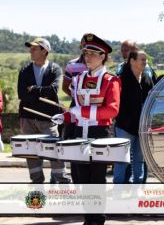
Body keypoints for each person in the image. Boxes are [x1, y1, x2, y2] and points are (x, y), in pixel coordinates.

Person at [52, 33, 121, 225]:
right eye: (85, 53)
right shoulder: (79, 79)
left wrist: (82, 111)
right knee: (80, 179)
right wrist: (65, 116)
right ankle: (87, 218)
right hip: (78, 134)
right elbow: (75, 110)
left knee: (96, 180)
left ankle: (97, 219)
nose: (87, 57)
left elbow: (112, 110)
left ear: (102, 56)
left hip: (99, 135)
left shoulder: (110, 80)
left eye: (92, 53)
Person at [17, 37, 70, 184]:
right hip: (27, 118)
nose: (31, 51)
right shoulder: (24, 70)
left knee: (54, 149)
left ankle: (62, 180)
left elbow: (53, 91)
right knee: (31, 152)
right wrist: (41, 94)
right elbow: (22, 94)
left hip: (48, 118)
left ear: (44, 51)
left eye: (34, 48)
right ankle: (37, 182)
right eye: (31, 48)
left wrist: (33, 89)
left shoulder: (55, 69)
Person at [113, 50, 154, 184]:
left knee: (139, 160)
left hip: (141, 128)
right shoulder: (121, 79)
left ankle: (138, 189)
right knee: (121, 160)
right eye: (142, 59)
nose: (145, 62)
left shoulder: (147, 79)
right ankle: (118, 189)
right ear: (132, 61)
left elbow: (151, 101)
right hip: (124, 127)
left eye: (145, 59)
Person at [61, 34, 88, 183]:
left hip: (94, 113)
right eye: (84, 44)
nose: (86, 48)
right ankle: (76, 181)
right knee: (73, 144)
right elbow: (65, 87)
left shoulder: (98, 66)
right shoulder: (72, 65)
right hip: (76, 110)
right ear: (80, 46)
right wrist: (76, 97)